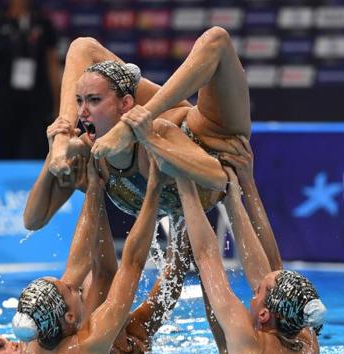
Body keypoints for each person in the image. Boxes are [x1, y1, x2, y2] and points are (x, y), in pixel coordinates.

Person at [24, 26, 251, 233]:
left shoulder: (160, 130)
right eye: (80, 101)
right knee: (82, 46)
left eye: (93, 100)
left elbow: (220, 179)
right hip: (165, 129)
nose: (83, 112)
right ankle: (64, 131)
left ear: (126, 104)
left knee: (216, 38)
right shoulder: (88, 152)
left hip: (209, 136)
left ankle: (111, 127)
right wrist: (56, 148)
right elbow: (32, 221)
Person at [0, 158, 166, 354]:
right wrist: (154, 187)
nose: (73, 285)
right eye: (71, 290)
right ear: (69, 317)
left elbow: (82, 265)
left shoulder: (33, 344)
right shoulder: (87, 346)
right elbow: (132, 264)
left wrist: (92, 192)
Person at [175, 166, 327, 354]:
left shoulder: (248, 339)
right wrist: (234, 198)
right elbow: (274, 271)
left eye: (257, 292)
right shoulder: (307, 342)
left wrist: (184, 179)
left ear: (264, 314)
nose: (253, 294)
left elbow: (205, 255)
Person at [0, 0, 60, 159]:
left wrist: (58, 101)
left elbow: (52, 64)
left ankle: (40, 182)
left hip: (37, 97)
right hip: (5, 97)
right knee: (5, 147)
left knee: (40, 147)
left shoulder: (42, 22)